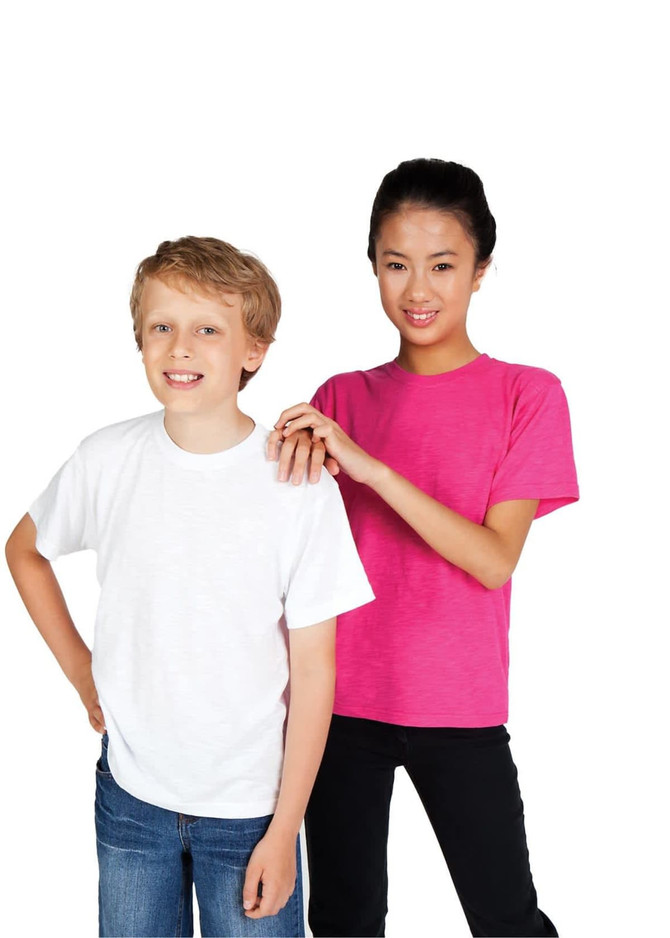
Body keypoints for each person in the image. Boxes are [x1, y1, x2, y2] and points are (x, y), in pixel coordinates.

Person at [5, 236, 374, 938]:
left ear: (254, 350)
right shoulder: (107, 459)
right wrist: (82, 673)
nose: (180, 347)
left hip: (251, 811)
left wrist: (285, 830)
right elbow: (25, 551)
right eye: (161, 327)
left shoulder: (296, 483)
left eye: (208, 329)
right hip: (130, 796)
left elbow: (315, 668)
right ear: (140, 341)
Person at [268, 159, 579, 937]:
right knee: (343, 922)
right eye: (395, 264)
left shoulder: (527, 393)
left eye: (442, 265)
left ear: (480, 270)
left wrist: (371, 468)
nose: (417, 289)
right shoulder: (340, 397)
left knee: (507, 920)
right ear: (372, 265)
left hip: (460, 705)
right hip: (338, 703)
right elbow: (290, 560)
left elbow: (493, 559)